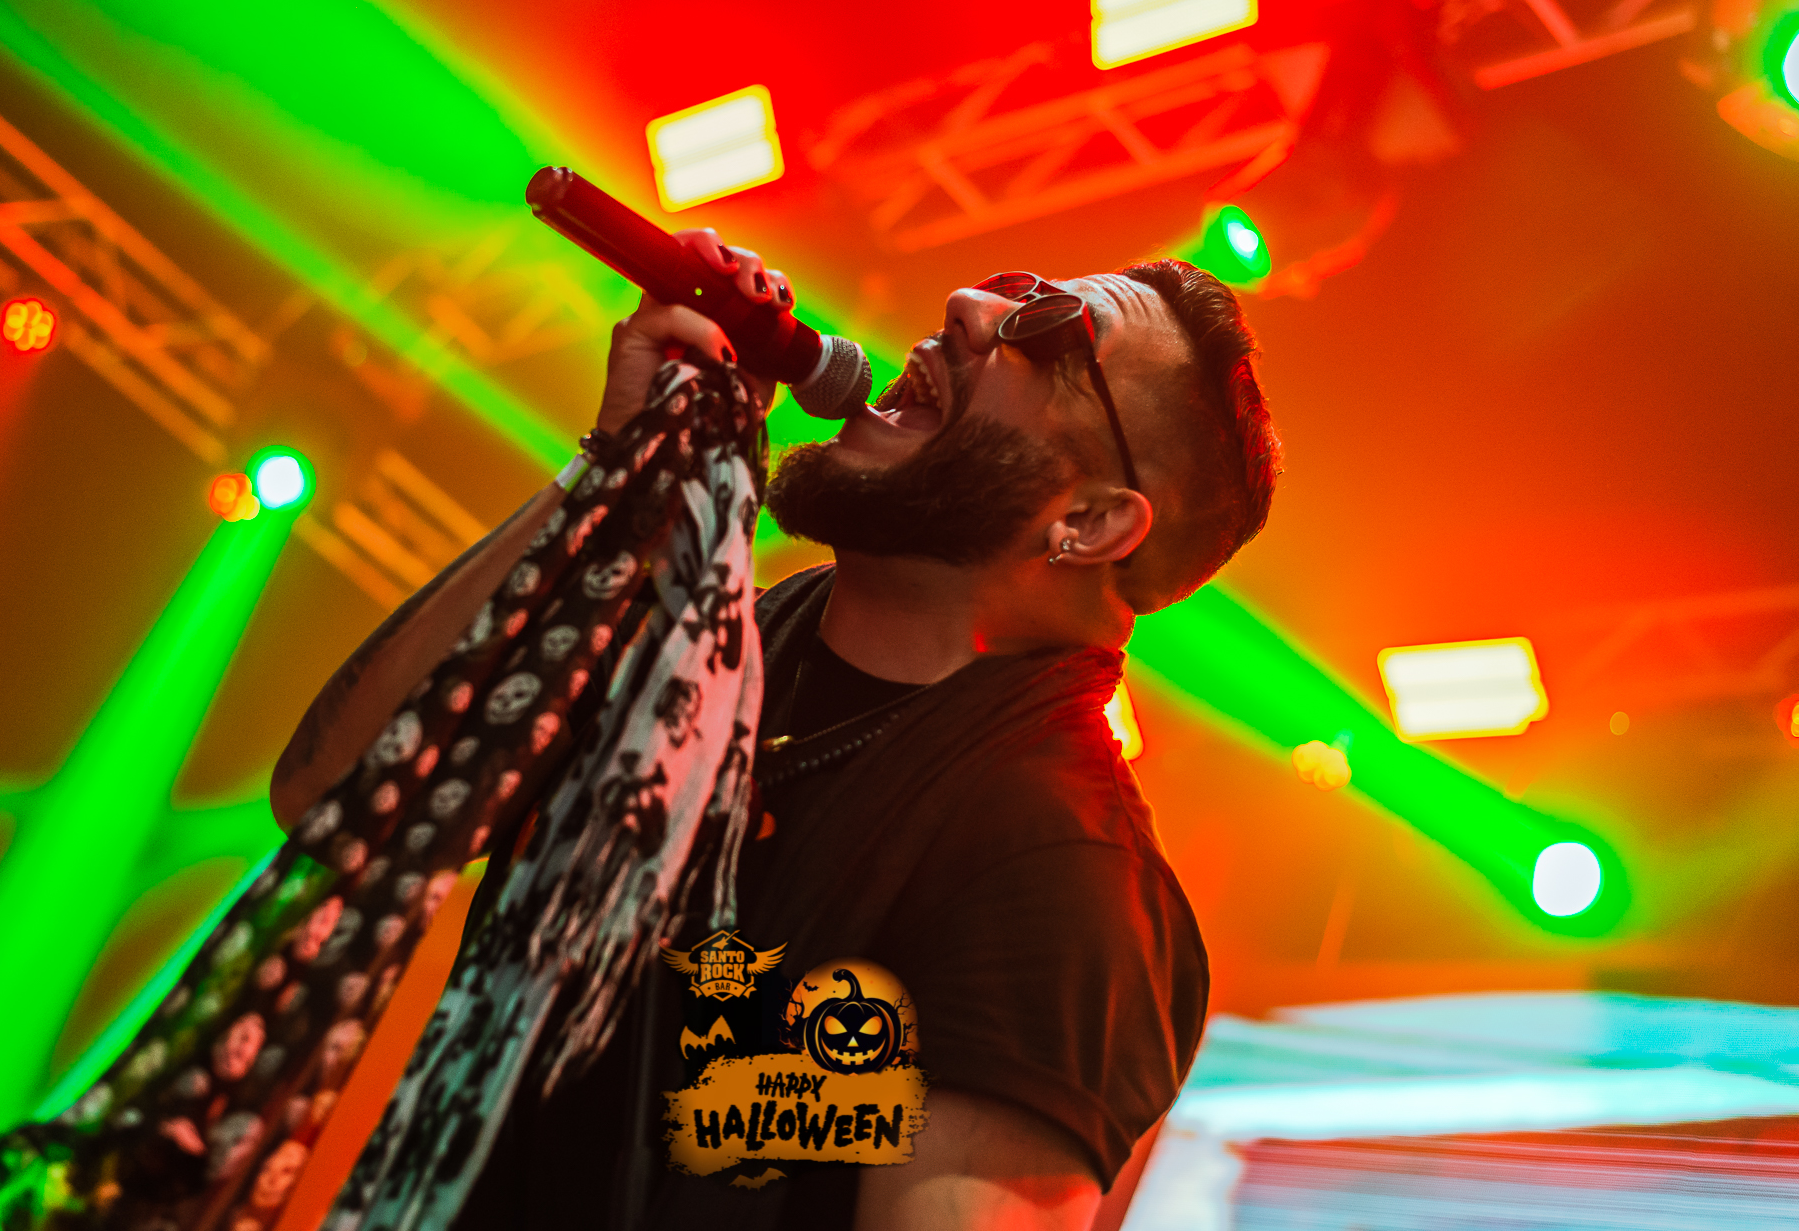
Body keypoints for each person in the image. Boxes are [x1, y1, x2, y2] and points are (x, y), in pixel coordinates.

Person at [270, 233, 1279, 1230]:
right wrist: (615, 474)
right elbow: (340, 801)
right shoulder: (697, 657)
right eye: (1010, 285)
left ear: (1089, 523)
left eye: (1049, 330)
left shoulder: (1063, 876)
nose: (969, 306)